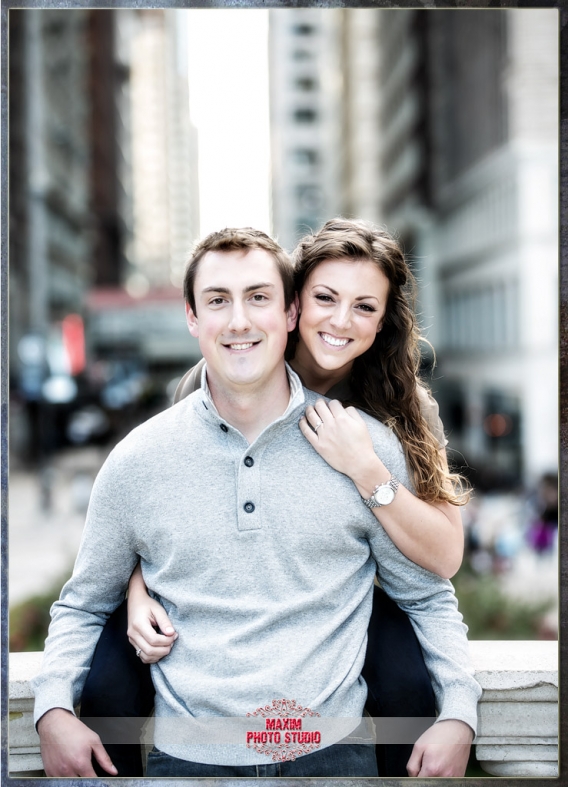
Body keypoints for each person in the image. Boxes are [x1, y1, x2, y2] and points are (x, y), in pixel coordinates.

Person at [33, 226, 480, 779]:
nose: (340, 321)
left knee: (406, 679)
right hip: (195, 742)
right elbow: (150, 534)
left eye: (364, 307)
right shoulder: (162, 433)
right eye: (326, 298)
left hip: (342, 642)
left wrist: (366, 470)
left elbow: (436, 575)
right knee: (108, 682)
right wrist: (136, 585)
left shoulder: (397, 421)